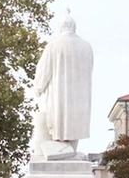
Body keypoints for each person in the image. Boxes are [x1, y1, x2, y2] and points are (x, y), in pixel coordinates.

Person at [31, 16, 93, 159]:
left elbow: (44, 69)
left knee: (58, 122)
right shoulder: (86, 46)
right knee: (74, 123)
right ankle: (70, 152)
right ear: (74, 27)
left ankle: (61, 153)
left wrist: (38, 87)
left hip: (58, 95)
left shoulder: (53, 46)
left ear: (60, 28)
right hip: (79, 96)